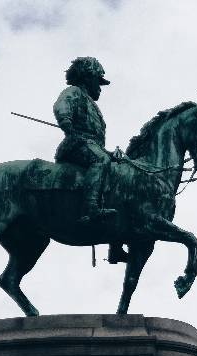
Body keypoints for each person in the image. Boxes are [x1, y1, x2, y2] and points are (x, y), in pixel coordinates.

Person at [53, 56, 127, 264]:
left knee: (117, 171)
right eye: (98, 82)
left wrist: (111, 154)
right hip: (75, 145)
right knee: (101, 162)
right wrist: (67, 124)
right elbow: (61, 106)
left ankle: (116, 245)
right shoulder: (73, 93)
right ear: (87, 78)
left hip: (91, 147)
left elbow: (97, 145)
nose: (101, 88)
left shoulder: (92, 105)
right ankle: (90, 209)